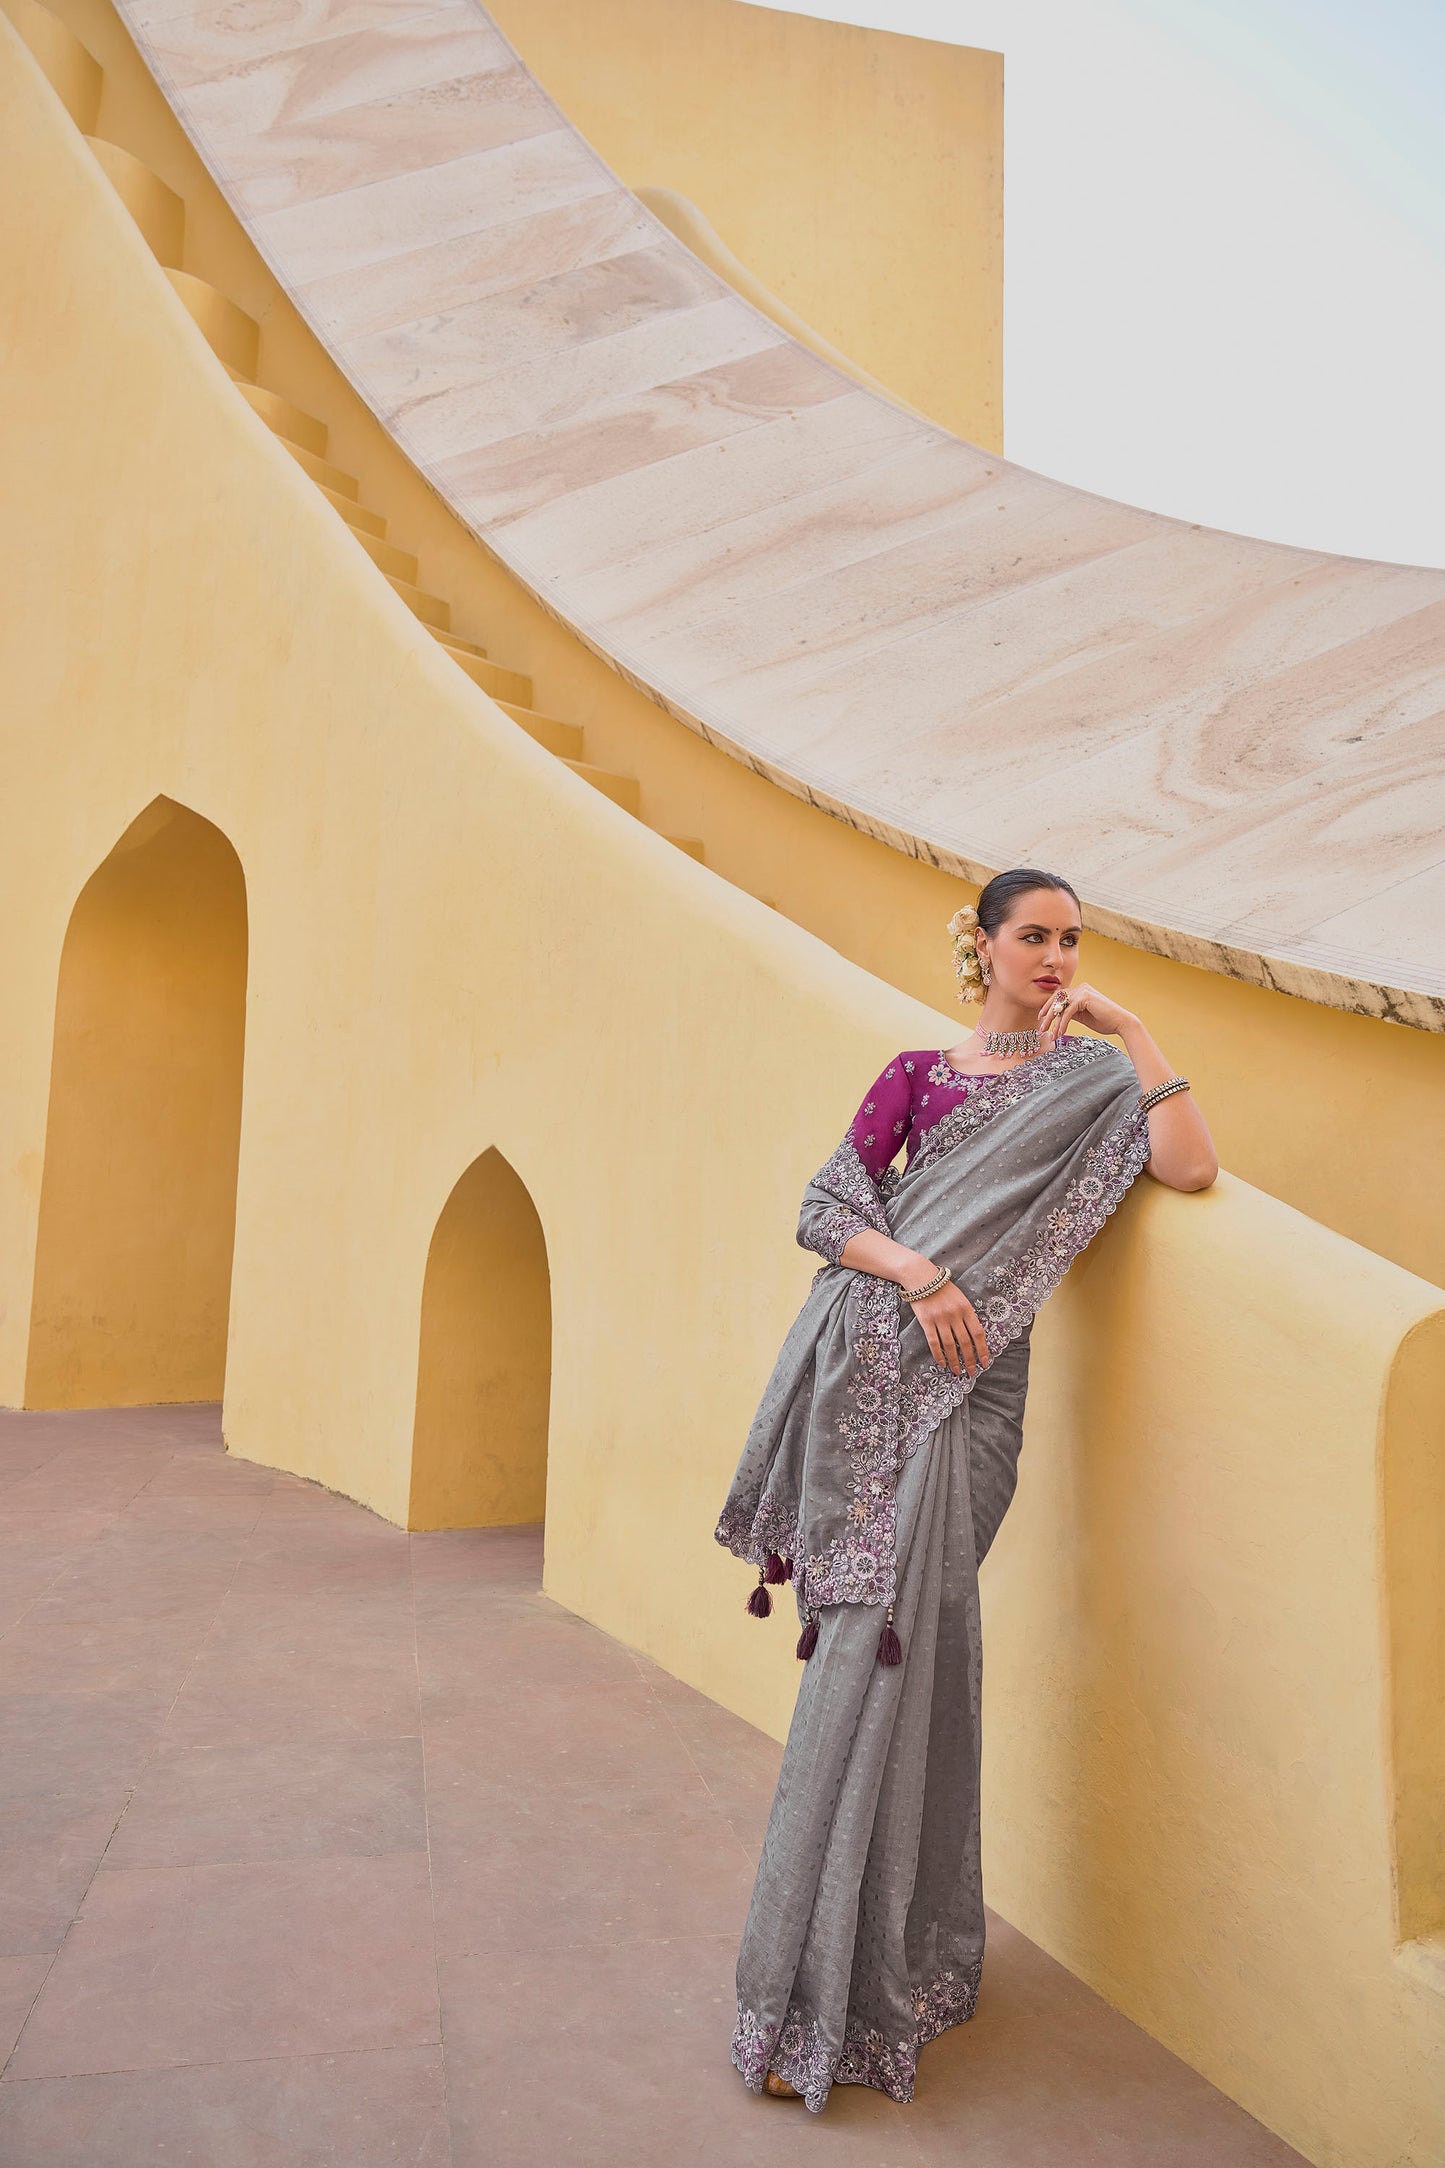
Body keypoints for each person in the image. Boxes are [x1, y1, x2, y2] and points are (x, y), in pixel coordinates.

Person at [715, 867, 1217, 2114]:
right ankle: (794, 1995)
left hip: (975, 1395)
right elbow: (824, 1206)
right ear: (981, 945)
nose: (1054, 957)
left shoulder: (1092, 1082)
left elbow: (1189, 1166)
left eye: (1070, 940)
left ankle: (896, 1964)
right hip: (873, 1374)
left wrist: (1132, 1029)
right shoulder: (915, 1074)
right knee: (861, 1660)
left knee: (927, 1651)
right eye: (1032, 935)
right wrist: (922, 1271)